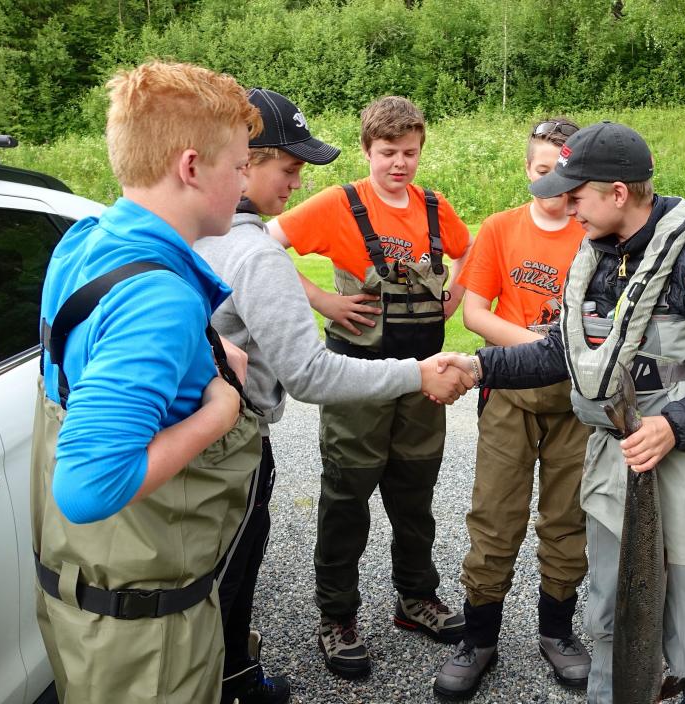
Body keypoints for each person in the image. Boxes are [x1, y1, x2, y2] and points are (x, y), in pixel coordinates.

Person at [457, 121, 685, 704]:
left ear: (618, 193)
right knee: (608, 614)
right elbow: (562, 352)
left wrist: (675, 425)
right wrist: (479, 368)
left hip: (684, 462)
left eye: (576, 194)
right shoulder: (595, 258)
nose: (564, 204)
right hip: (612, 468)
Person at [194, 88, 474, 703]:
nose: (399, 163)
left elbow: (470, 251)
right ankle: (337, 614)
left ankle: (416, 597)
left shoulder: (434, 208)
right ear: (368, 151)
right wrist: (321, 300)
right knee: (346, 498)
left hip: (422, 383)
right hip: (354, 378)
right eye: (387, 152)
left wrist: (458, 298)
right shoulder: (338, 203)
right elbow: (263, 245)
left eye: (409, 152)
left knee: (416, 493)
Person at [31, 61, 263, 704]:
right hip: (147, 641)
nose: (246, 182)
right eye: (240, 166)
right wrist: (221, 406)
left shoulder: (83, 241)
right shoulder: (158, 297)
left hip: (83, 605)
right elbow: (87, 486)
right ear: (191, 167)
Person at [433, 118, 595, 699]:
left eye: (563, 172)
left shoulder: (593, 232)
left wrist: (565, 355)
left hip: (577, 403)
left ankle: (556, 632)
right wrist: (545, 349)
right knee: (494, 518)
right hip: (508, 397)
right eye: (541, 169)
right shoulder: (500, 228)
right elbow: (474, 312)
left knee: (567, 519)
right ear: (528, 169)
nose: (551, 181)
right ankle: (479, 638)